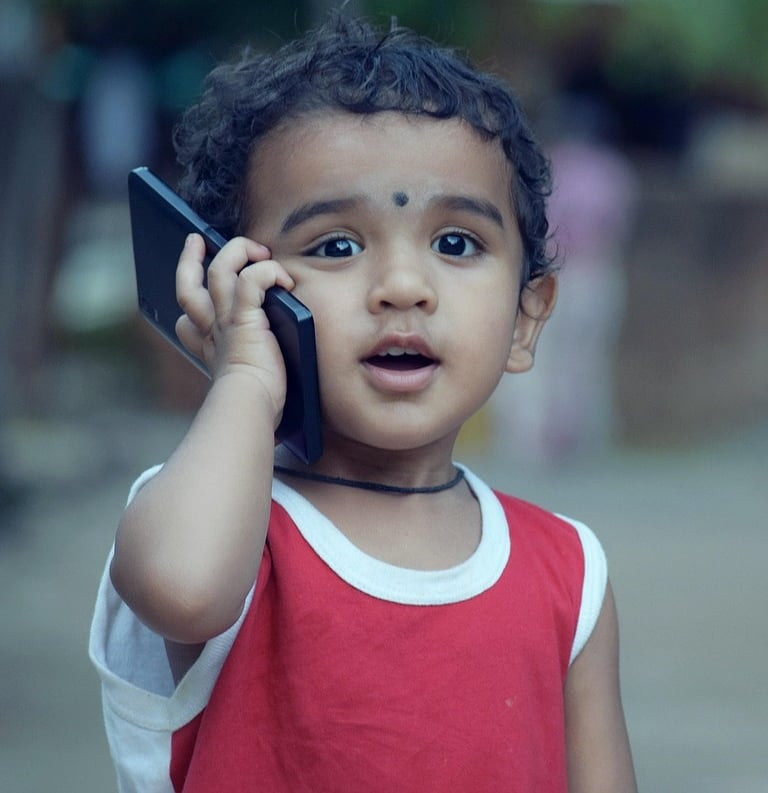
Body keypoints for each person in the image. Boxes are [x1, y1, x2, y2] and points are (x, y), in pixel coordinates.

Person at [90, 14, 637, 793]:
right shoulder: (220, 528)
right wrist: (246, 374)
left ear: (525, 317)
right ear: (231, 284)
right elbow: (183, 589)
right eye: (336, 246)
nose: (404, 287)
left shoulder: (569, 572)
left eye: (456, 243)